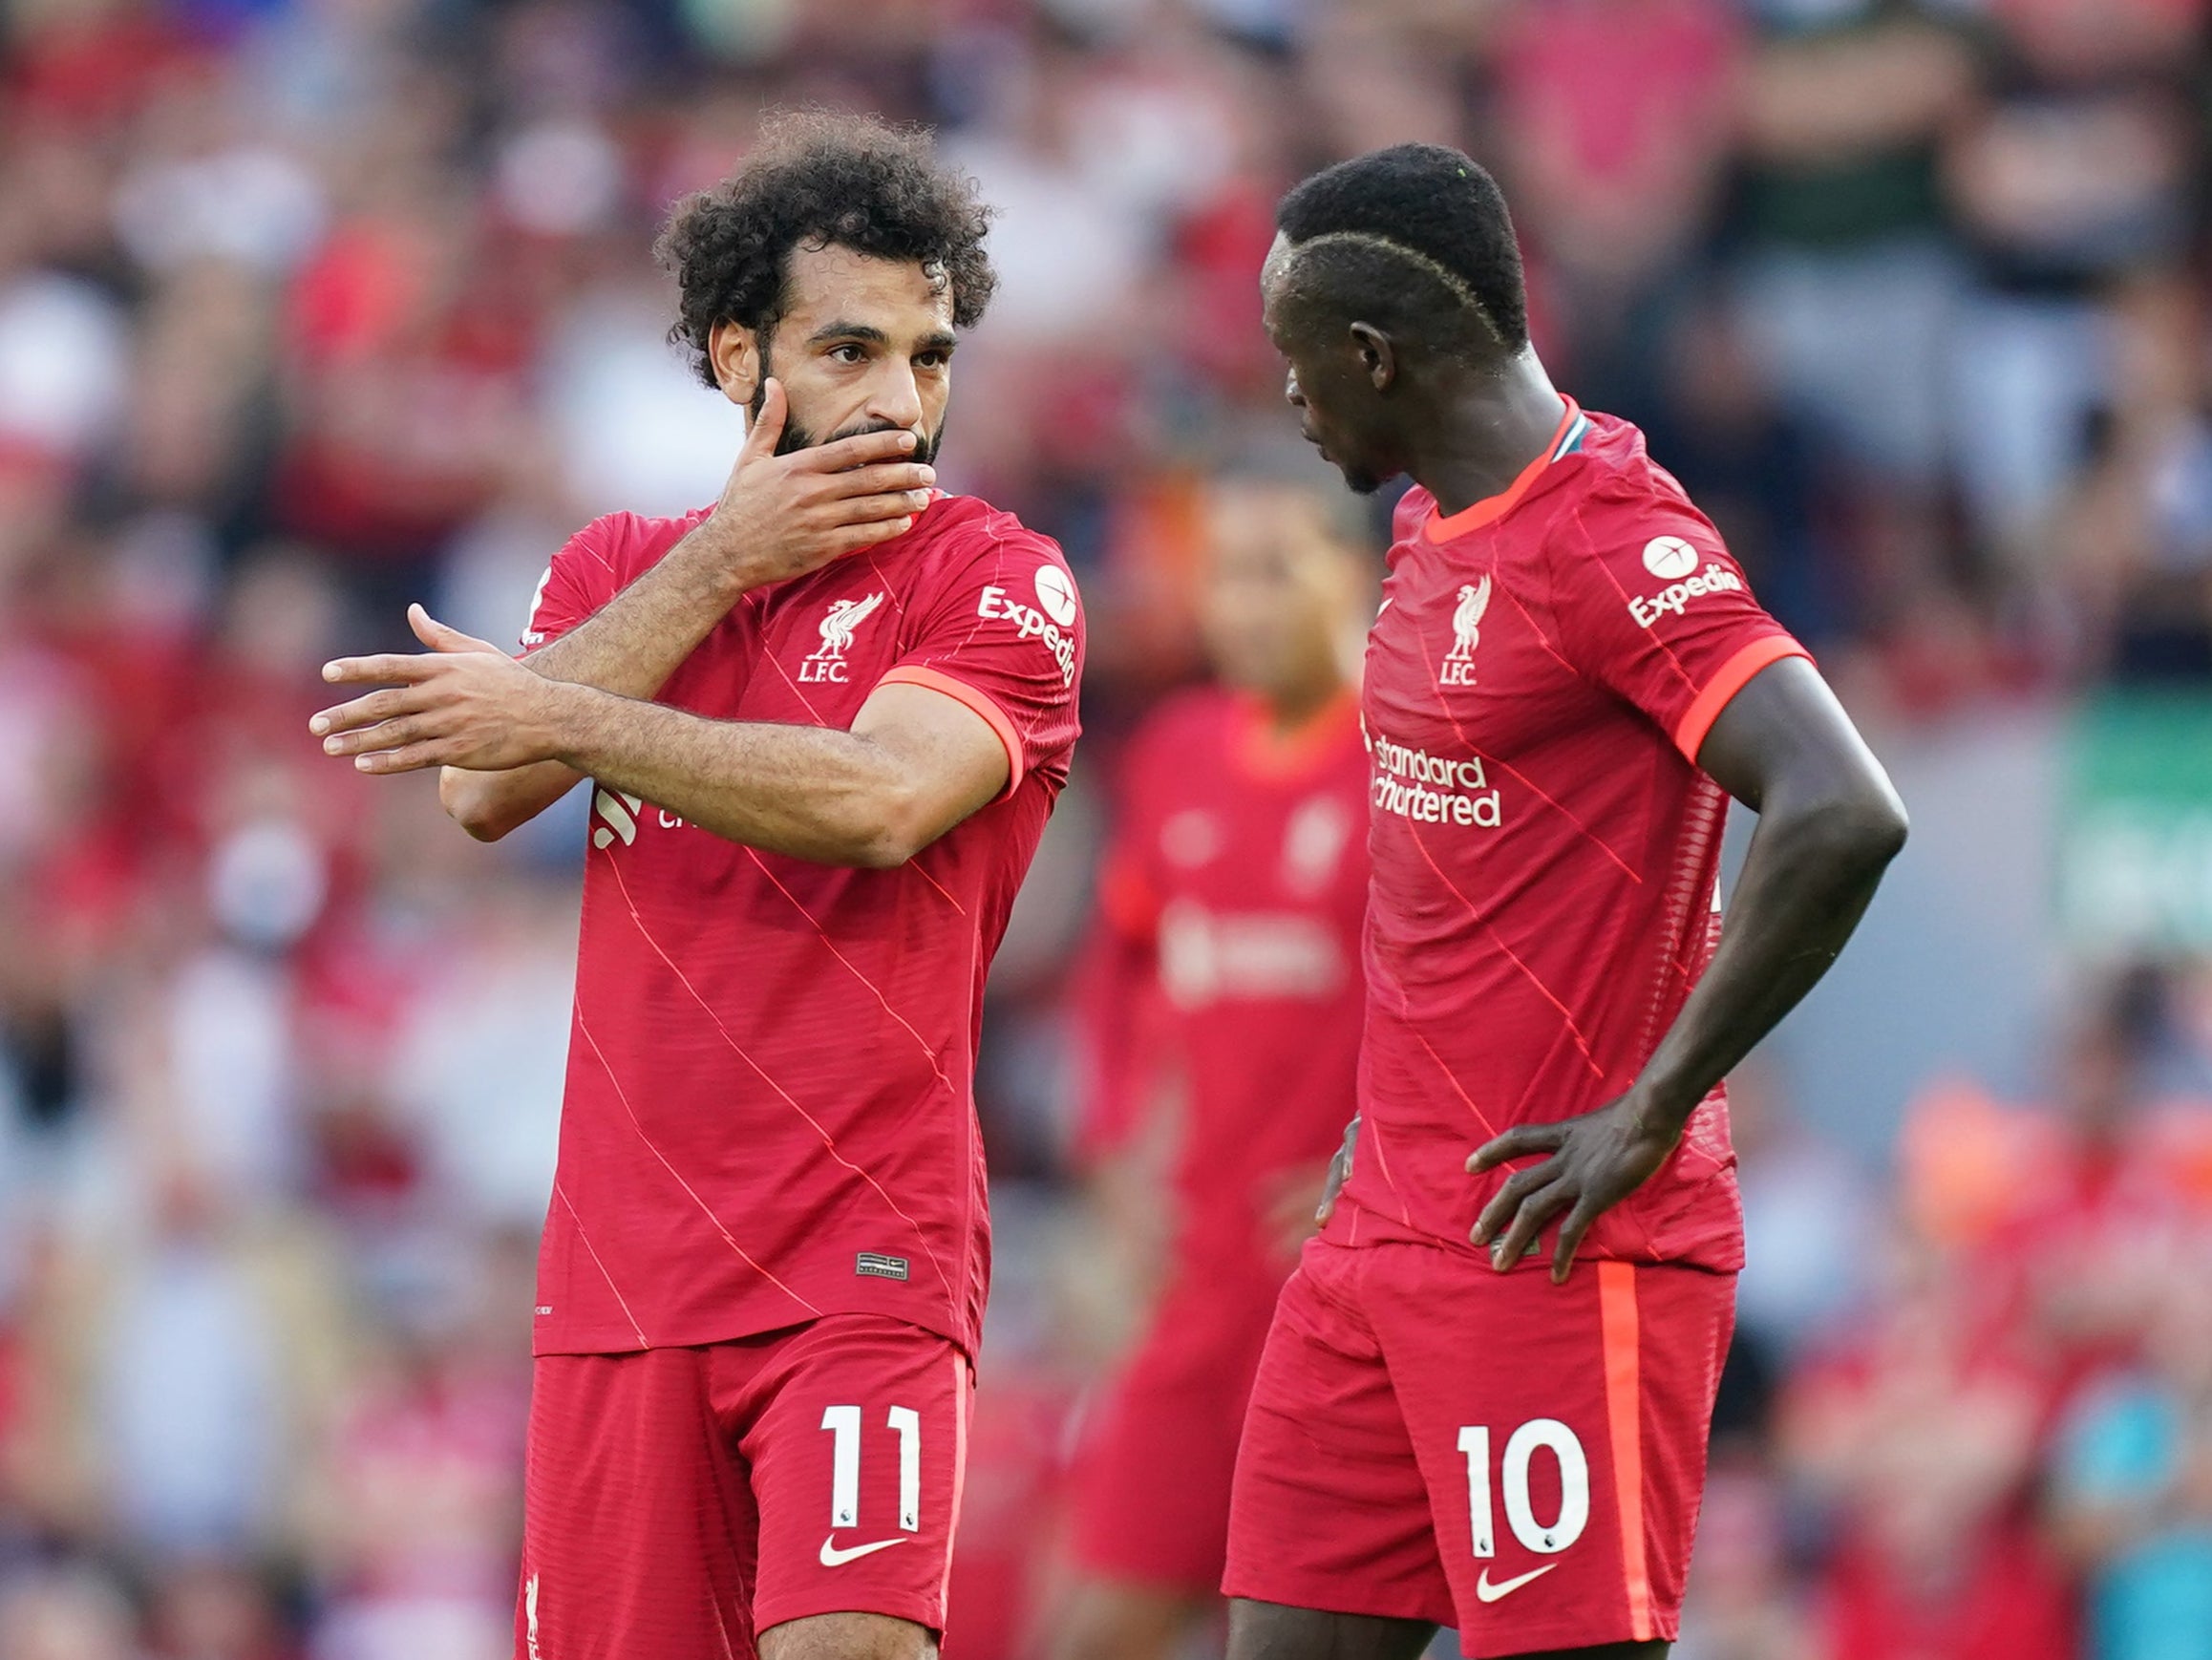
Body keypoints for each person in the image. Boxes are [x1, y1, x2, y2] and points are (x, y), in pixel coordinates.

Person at [307, 112, 1084, 1660]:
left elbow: (877, 801)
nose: (900, 401)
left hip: (865, 1251)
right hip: (620, 1273)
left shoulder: (994, 575)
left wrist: (562, 710)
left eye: (929, 356)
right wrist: (719, 563)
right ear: (740, 360)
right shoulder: (621, 568)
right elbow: (482, 790)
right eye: (849, 349)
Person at [1223, 143, 1909, 1660]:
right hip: (1381, 1232)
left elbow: (1842, 807)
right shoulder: (1423, 522)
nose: (1287, 396)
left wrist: (1654, 1105)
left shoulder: (1613, 542)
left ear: (1373, 357)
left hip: (1560, 1241)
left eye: (1294, 362)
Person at [1055, 478, 1373, 1660]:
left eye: (1274, 567)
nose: (1241, 604)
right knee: (1097, 1623)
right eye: (1224, 573)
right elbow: (1123, 966)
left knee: (1313, 1631)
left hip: (1341, 1281)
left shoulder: (1411, 763)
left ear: (1358, 575)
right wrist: (1110, 1152)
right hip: (1196, 1265)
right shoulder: (1179, 753)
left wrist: (1382, 1157)